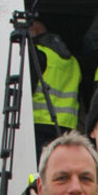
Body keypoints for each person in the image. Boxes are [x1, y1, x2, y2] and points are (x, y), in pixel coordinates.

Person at [29, 19, 82, 161]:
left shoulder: (37, 54)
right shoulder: (73, 61)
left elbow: (27, 89)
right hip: (66, 128)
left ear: (34, 30)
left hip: (39, 124)